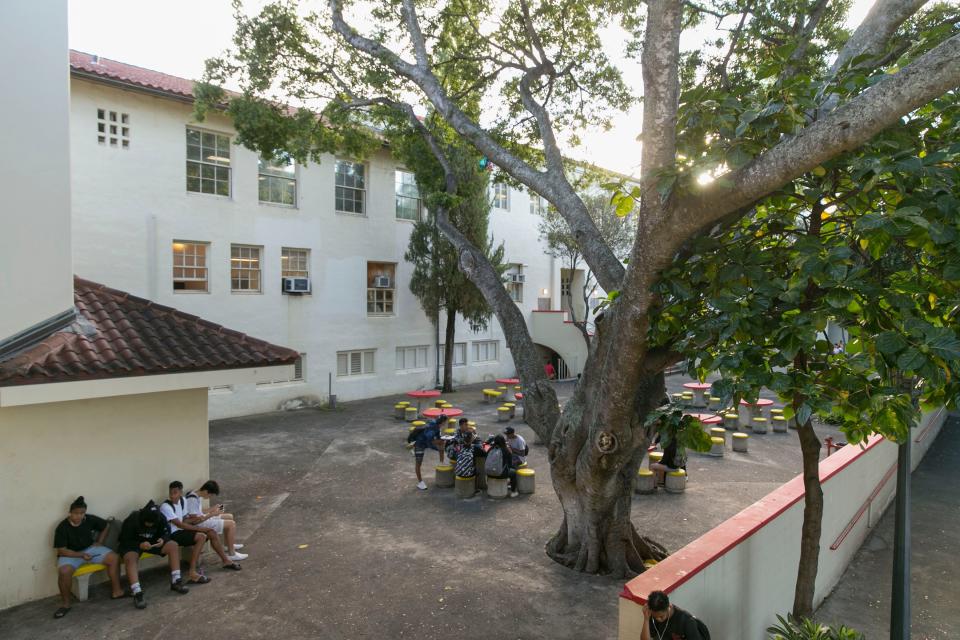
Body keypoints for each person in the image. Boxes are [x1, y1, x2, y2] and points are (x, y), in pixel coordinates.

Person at [52, 496, 123, 619]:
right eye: (76, 513)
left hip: (90, 549)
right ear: (70, 513)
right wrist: (81, 555)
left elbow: (105, 525)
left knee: (114, 558)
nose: (79, 516)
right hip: (71, 554)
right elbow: (62, 550)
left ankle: (117, 591)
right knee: (64, 572)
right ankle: (66, 605)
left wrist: (100, 542)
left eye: (82, 513)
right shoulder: (62, 527)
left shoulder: (88, 519)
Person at [159, 481, 241, 584]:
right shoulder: (165, 506)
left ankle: (226, 561)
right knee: (201, 536)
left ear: (180, 492)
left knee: (211, 533)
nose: (172, 495)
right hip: (174, 534)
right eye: (171, 493)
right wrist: (202, 526)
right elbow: (180, 525)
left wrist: (199, 519)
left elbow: (185, 520)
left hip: (184, 529)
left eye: (175, 493)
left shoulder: (183, 501)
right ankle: (192, 572)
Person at [118, 501, 189, 608]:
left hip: (152, 544)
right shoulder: (133, 519)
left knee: (173, 545)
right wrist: (140, 544)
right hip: (133, 543)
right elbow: (124, 540)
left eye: (153, 523)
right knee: (130, 558)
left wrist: (163, 539)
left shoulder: (160, 517)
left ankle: (176, 581)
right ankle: (137, 592)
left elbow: (167, 532)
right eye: (148, 523)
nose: (150, 525)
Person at [184, 480, 247, 561]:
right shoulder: (192, 500)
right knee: (231, 524)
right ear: (206, 491)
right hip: (199, 524)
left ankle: (227, 545)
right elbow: (195, 520)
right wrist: (213, 514)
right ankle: (232, 554)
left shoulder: (196, 494)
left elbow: (199, 512)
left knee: (229, 516)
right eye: (211, 495)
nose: (210, 497)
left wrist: (212, 509)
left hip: (203, 519)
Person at [641, 590, 706, 640]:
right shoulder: (653, 614)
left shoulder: (687, 621)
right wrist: (646, 619)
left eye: (661, 616)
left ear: (668, 607)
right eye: (655, 617)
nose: (658, 619)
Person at [407, 415, 445, 490]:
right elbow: (429, 442)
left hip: (426, 442)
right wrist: (437, 448)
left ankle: (441, 463)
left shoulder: (438, 426)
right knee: (418, 462)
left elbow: (438, 437)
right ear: (443, 422)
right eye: (445, 422)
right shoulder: (432, 428)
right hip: (420, 443)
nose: (446, 423)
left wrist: (442, 440)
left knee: (442, 443)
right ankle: (420, 482)